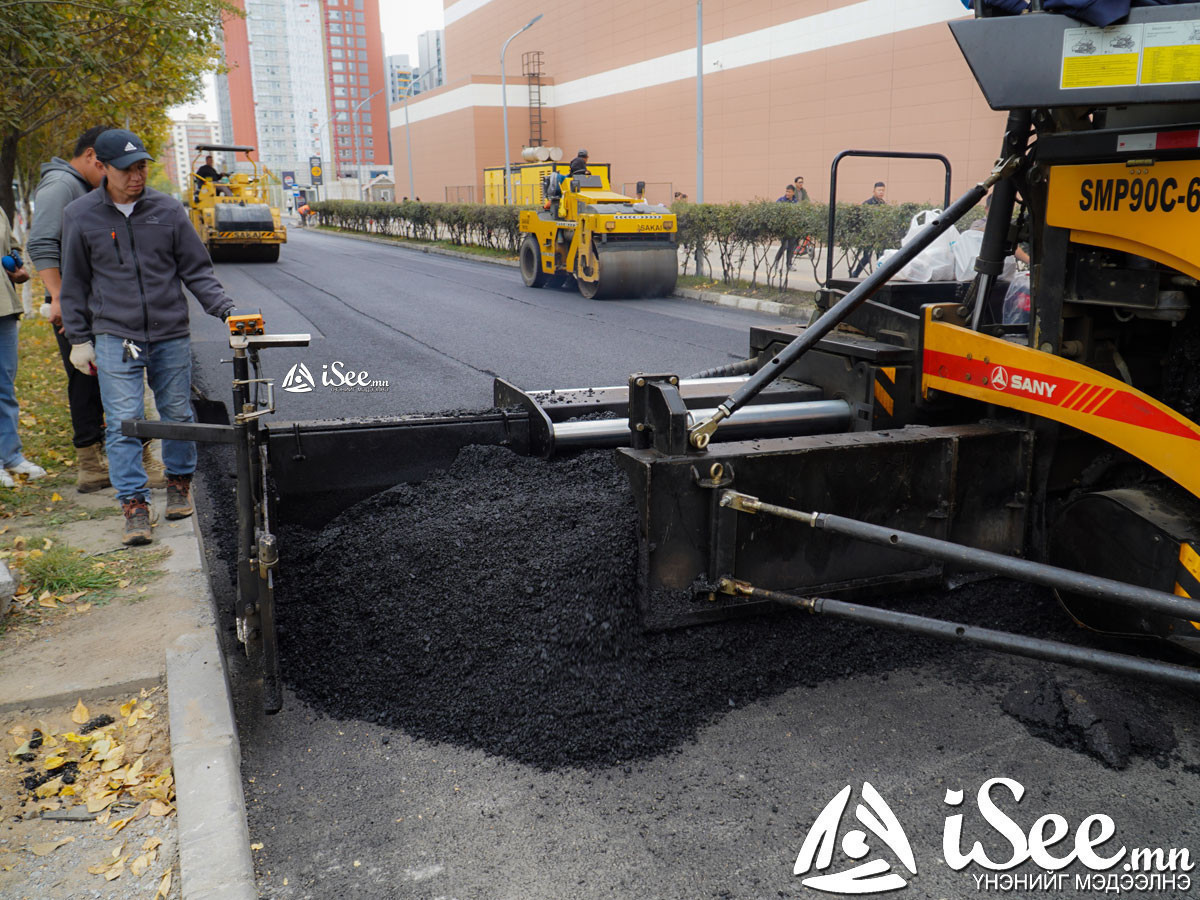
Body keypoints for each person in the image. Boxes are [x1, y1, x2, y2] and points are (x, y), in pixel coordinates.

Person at [59, 129, 236, 545]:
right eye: (127, 169)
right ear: (101, 167)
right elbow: (75, 282)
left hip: (169, 333)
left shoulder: (168, 210)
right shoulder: (81, 215)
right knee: (125, 424)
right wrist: (79, 339)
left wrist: (226, 310)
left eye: (141, 167)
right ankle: (134, 504)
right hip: (113, 334)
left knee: (176, 414)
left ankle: (178, 483)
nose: (136, 176)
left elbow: (197, 270)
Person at [27, 125, 125, 493]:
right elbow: (40, 243)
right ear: (89, 157)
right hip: (76, 308)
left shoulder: (81, 186)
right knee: (88, 380)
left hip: (90, 304)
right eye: (107, 166)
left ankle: (102, 460)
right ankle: (90, 465)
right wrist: (58, 299)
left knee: (98, 380)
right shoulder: (61, 186)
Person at [0, 208, 43, 489]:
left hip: (4, 308)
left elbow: (11, 245)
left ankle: (10, 455)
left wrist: (16, 266)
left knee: (5, 385)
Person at [849, 181, 887, 277]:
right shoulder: (867, 204)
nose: (881, 192)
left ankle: (879, 277)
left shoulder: (884, 204)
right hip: (869, 236)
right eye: (879, 190)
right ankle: (855, 274)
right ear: (874, 191)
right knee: (866, 257)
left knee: (880, 257)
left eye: (883, 190)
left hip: (880, 236)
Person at [773, 184, 800, 272]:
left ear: (793, 192)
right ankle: (776, 261)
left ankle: (789, 265)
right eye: (786, 191)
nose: (787, 193)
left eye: (789, 192)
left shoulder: (795, 202)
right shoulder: (781, 201)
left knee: (791, 247)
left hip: (792, 229)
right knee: (784, 246)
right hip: (783, 229)